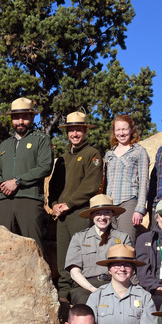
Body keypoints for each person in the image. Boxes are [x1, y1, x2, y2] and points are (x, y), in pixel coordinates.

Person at [48, 112, 104, 276]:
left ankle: (81, 292)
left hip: (79, 212)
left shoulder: (92, 154)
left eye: (78, 130)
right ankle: (65, 292)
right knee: (63, 255)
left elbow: (91, 186)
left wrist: (69, 203)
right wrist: (54, 204)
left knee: (82, 254)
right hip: (62, 214)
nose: (74, 134)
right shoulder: (63, 157)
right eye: (71, 130)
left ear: (85, 131)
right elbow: (54, 185)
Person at [0, 98, 53, 249]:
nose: (20, 121)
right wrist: (0, 184)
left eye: (25, 117)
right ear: (11, 119)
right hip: (4, 201)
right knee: (2, 246)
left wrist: (17, 181)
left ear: (32, 117)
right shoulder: (3, 144)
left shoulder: (41, 140)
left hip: (29, 199)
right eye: (16, 117)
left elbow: (45, 166)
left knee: (32, 246)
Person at [85, 244, 157, 324]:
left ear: (133, 269)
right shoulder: (96, 297)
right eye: (117, 265)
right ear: (109, 269)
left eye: (127, 265)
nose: (122, 269)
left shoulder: (144, 296)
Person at [64, 195, 132, 305]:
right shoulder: (79, 238)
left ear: (112, 214)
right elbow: (74, 272)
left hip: (115, 284)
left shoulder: (123, 238)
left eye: (107, 213)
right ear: (91, 215)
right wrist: (93, 289)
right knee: (84, 303)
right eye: (98, 213)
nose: (102, 217)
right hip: (85, 286)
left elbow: (128, 268)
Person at [103, 114, 146, 236]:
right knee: (111, 244)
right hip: (110, 205)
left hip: (128, 202)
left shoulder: (139, 152)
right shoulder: (109, 154)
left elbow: (144, 182)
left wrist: (140, 209)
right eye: (118, 129)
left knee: (126, 243)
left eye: (124, 129)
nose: (121, 133)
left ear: (131, 130)